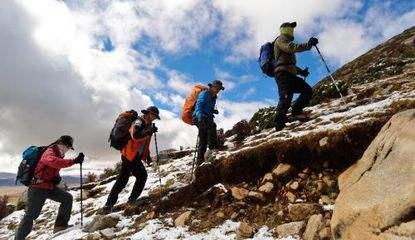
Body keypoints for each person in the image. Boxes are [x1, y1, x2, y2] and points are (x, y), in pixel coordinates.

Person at [15, 135, 84, 239]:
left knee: (67, 198)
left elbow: (50, 169)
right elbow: (52, 162)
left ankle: (60, 226)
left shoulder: (58, 153)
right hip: (37, 188)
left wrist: (56, 178)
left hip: (48, 186)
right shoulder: (50, 151)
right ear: (63, 145)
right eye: (69, 147)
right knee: (30, 216)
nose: (68, 150)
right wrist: (73, 161)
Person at [102, 106, 160, 214]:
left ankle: (108, 205)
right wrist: (149, 131)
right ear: (148, 113)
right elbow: (136, 135)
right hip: (130, 155)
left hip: (132, 155)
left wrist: (147, 156)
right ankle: (131, 201)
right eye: (154, 115)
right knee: (141, 176)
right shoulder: (138, 121)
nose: (154, 118)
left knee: (122, 179)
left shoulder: (148, 125)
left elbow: (144, 144)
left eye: (156, 117)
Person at [274, 21, 318, 131]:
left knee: (307, 90)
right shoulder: (281, 39)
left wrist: (301, 72)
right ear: (284, 29)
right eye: (290, 28)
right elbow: (291, 48)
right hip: (283, 75)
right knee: (285, 100)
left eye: (292, 28)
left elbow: (288, 63)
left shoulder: (285, 41)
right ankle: (279, 127)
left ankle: (296, 112)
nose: (292, 30)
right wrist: (308, 45)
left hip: (289, 74)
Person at [193, 80, 224, 165]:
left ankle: (200, 162)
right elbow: (199, 105)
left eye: (219, 89)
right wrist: (199, 116)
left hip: (207, 117)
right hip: (200, 117)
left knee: (203, 139)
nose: (218, 90)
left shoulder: (214, 97)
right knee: (212, 126)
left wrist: (213, 111)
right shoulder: (205, 93)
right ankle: (213, 148)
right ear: (211, 86)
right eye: (216, 87)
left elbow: (208, 107)